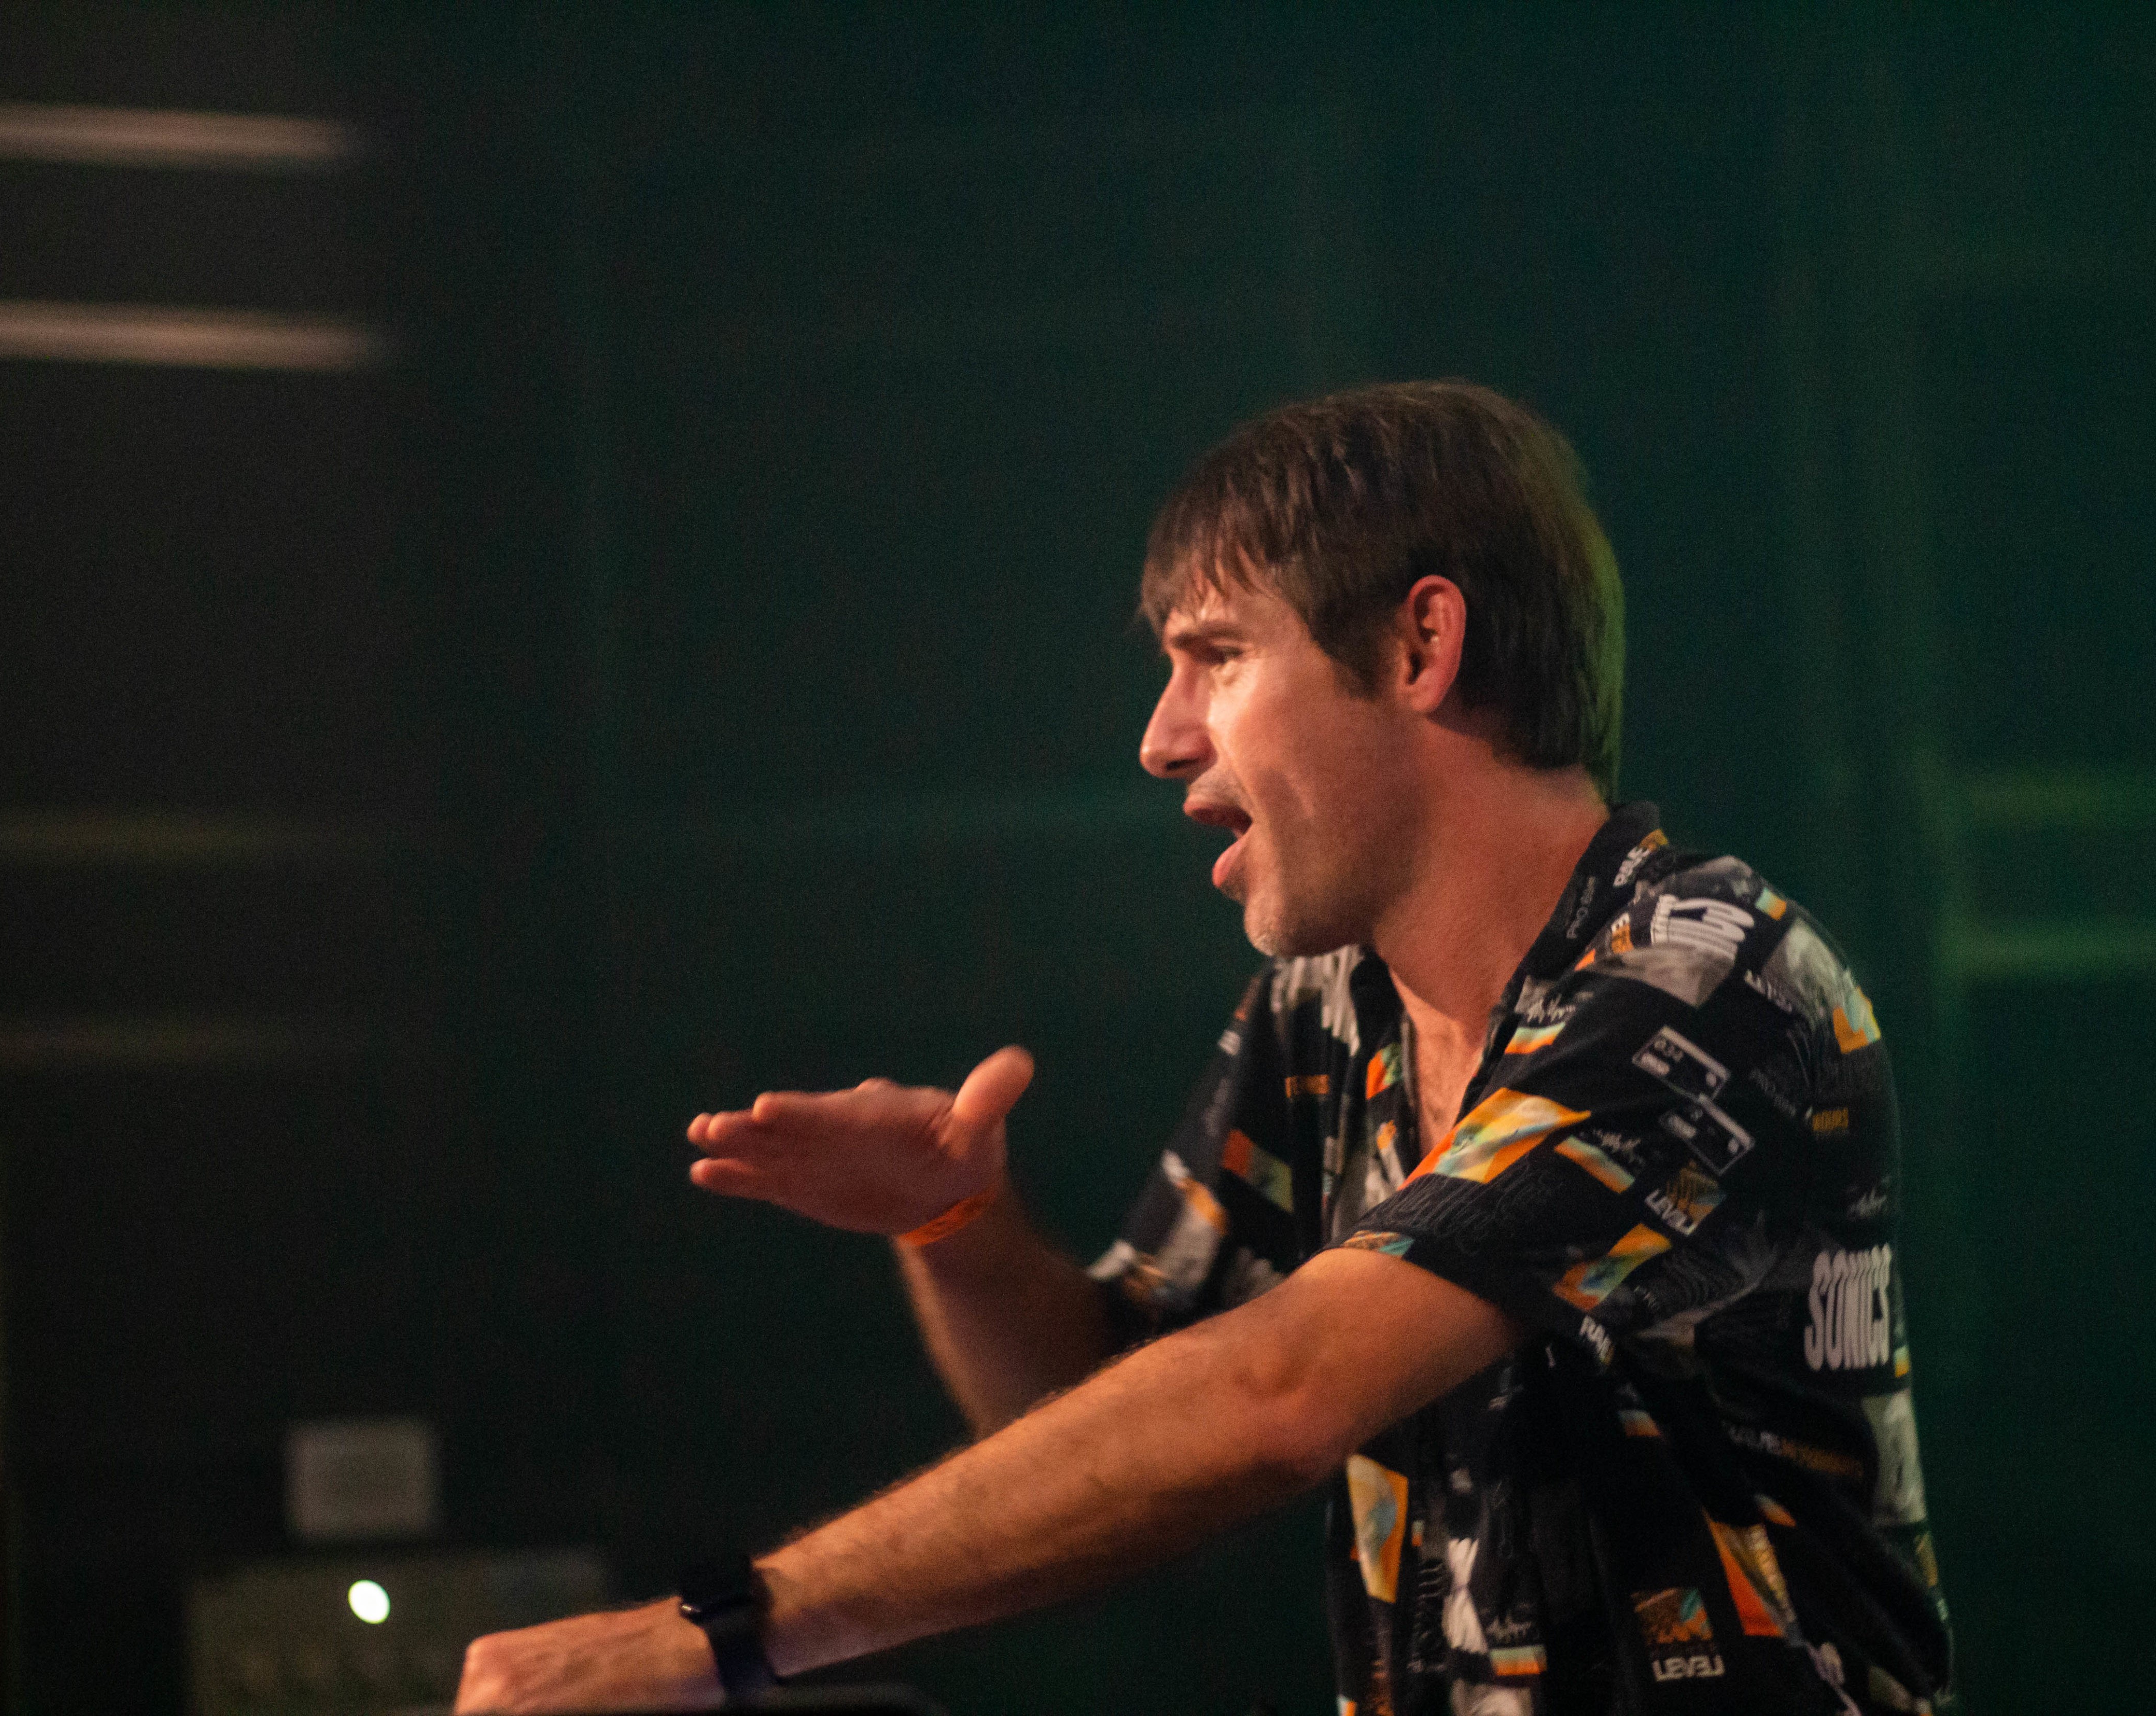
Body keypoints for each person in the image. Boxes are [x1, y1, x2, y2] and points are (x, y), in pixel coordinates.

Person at [455, 382, 1955, 1715]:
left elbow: (1271, 1401)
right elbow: (1104, 1428)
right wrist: (959, 1231)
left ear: (1422, 645)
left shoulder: (1707, 978)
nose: (1163, 740)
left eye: (1216, 658)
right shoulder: (1327, 1007)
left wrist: (713, 1635)